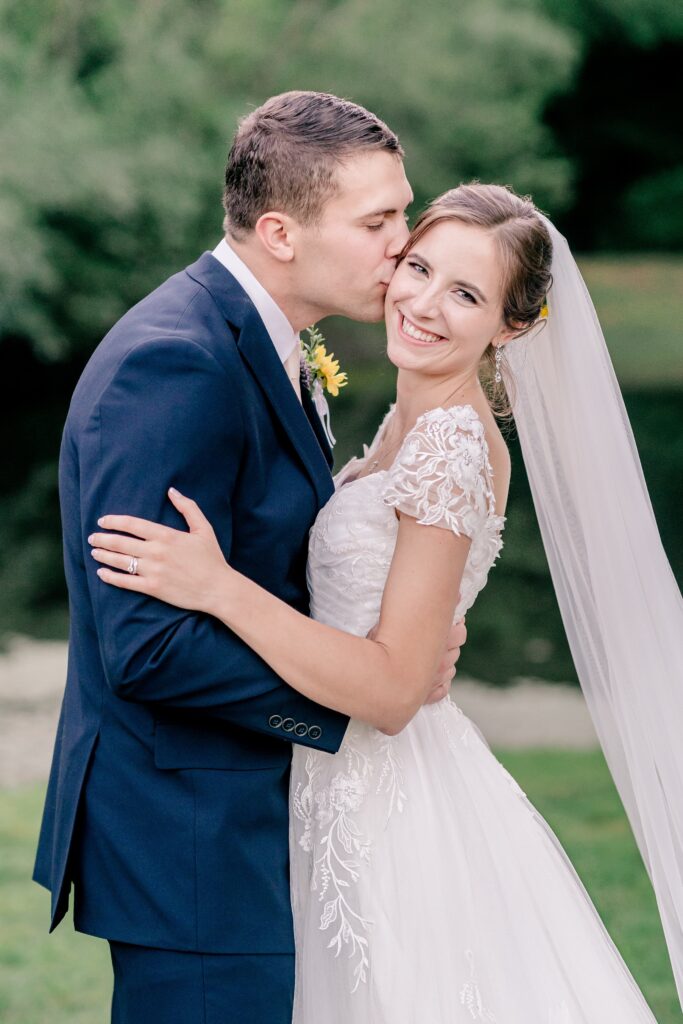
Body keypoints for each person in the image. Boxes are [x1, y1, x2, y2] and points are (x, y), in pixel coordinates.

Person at [89, 183, 681, 1021]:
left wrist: (218, 589)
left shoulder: (448, 441)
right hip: (326, 782)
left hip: (388, 797)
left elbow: (393, 692)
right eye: (419, 266)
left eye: (466, 294)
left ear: (510, 328)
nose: (424, 303)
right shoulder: (413, 423)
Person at [33, 91, 466, 1024]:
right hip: (187, 838)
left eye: (404, 209)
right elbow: (145, 645)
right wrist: (359, 694)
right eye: (377, 220)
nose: (403, 241)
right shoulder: (175, 362)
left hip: (243, 817)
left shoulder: (269, 340)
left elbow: (282, 558)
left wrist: (390, 630)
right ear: (280, 231)